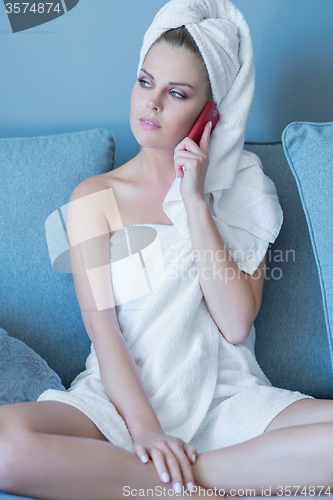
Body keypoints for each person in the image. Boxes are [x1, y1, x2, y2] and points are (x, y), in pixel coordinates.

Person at [1, 1, 333, 499]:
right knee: (5, 444)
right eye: (145, 82)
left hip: (228, 398)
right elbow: (103, 329)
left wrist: (194, 200)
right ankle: (205, 480)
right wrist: (147, 431)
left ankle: (189, 480)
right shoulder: (94, 197)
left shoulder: (244, 192)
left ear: (209, 113)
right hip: (119, 398)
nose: (151, 103)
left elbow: (235, 323)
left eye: (176, 93)